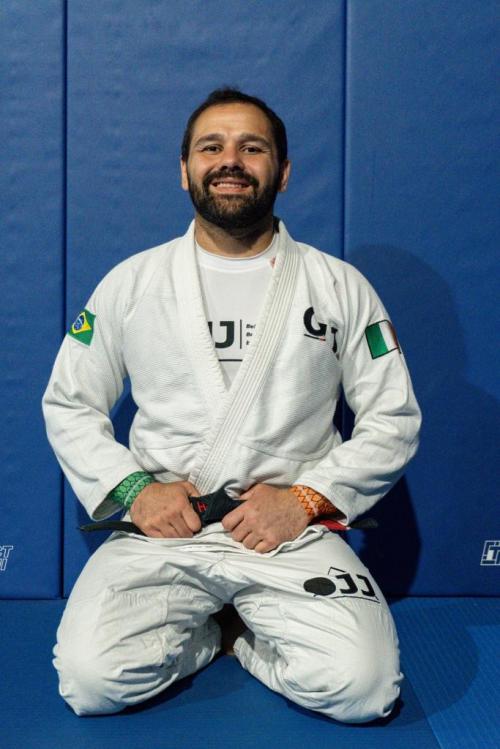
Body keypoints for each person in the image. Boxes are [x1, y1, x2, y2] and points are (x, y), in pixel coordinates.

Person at [42, 87, 421, 722]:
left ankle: (242, 637)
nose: (230, 161)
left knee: (363, 689)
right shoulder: (132, 283)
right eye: (211, 147)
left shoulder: (338, 286)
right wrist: (136, 490)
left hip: (289, 531)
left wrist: (306, 500)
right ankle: (213, 633)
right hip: (167, 528)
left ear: (283, 171)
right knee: (91, 683)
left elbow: (393, 418)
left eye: (252, 148)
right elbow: (69, 403)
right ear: (184, 168)